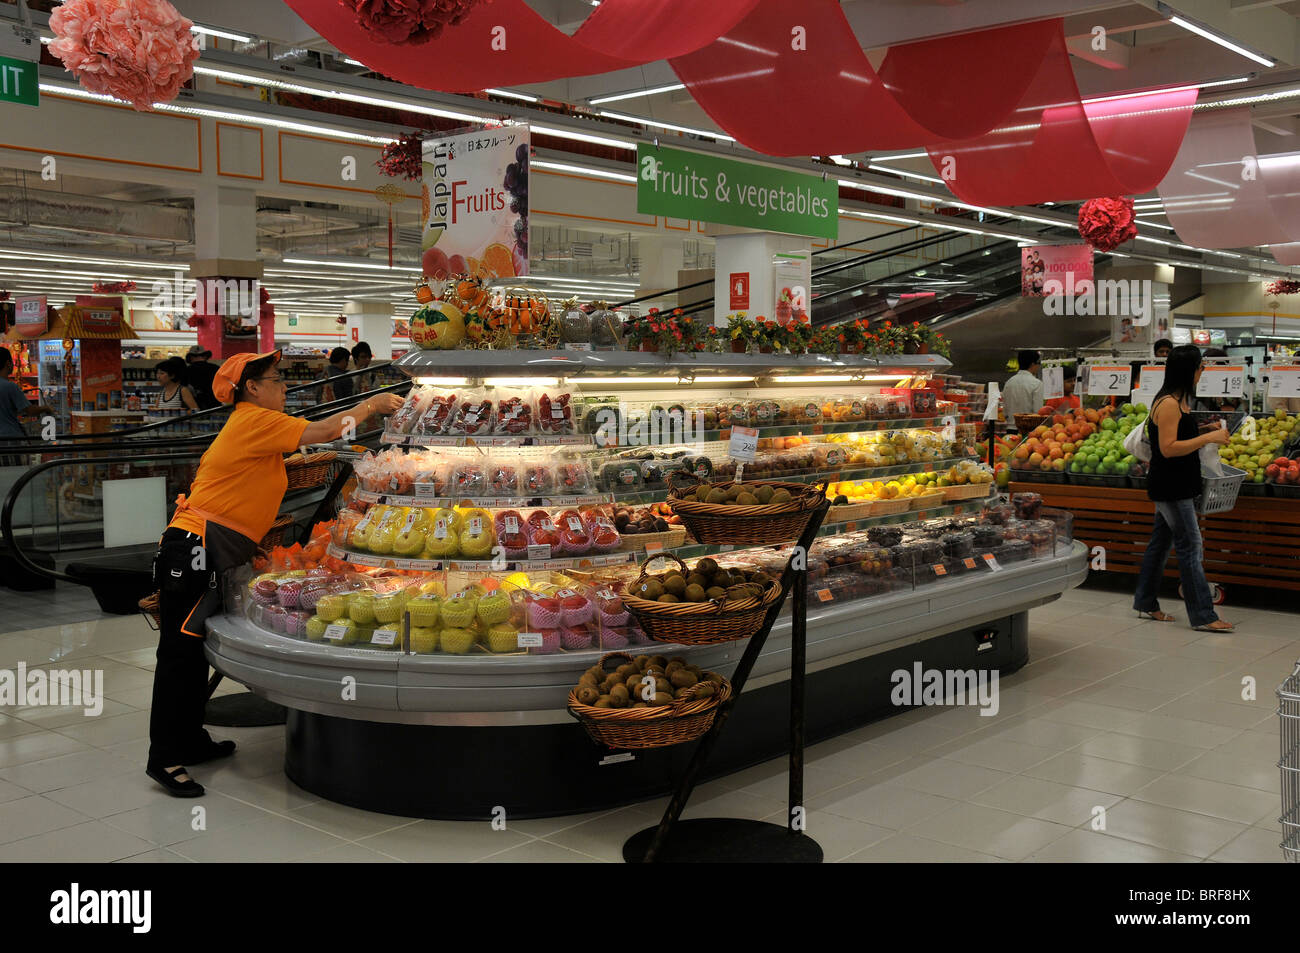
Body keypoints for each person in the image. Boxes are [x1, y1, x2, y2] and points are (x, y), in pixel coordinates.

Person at [146, 350, 402, 797]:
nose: (284, 386)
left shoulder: (253, 426)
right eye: (276, 378)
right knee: (178, 653)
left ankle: (189, 740)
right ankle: (164, 757)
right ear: (252, 388)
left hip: (207, 547)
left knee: (192, 649)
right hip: (195, 548)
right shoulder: (253, 419)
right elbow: (324, 430)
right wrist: (372, 405)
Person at [1132, 344, 1233, 632]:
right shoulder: (1167, 403)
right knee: (1190, 546)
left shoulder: (1178, 400)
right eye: (1200, 367)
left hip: (1175, 484)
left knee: (1161, 543)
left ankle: (1145, 602)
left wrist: (1201, 430)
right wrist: (1207, 438)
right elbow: (1168, 448)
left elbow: (1176, 434)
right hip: (1172, 487)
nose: (1202, 372)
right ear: (1189, 371)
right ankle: (1204, 616)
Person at [0, 348, 52, 464]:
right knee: (16, 471)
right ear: (8, 363)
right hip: (10, 439)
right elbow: (29, 410)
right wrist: (45, 408)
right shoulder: (10, 387)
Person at [1002, 349, 1044, 417]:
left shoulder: (1009, 382)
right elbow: (1038, 413)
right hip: (1029, 423)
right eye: (1038, 363)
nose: (1039, 366)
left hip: (1010, 423)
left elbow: (1005, 413)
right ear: (1032, 364)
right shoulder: (1037, 384)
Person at [185, 345, 221, 410]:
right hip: (215, 404)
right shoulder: (216, 368)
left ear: (190, 357)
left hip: (195, 406)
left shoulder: (186, 370)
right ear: (205, 356)